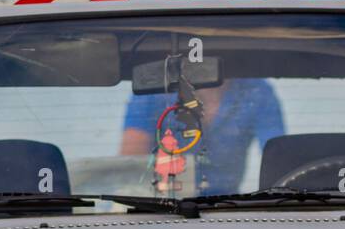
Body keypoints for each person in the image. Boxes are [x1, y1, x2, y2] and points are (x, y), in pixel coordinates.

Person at [119, 78, 285, 195]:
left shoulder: (257, 91)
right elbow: (131, 168)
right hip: (162, 210)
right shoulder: (154, 90)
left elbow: (278, 162)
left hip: (228, 209)